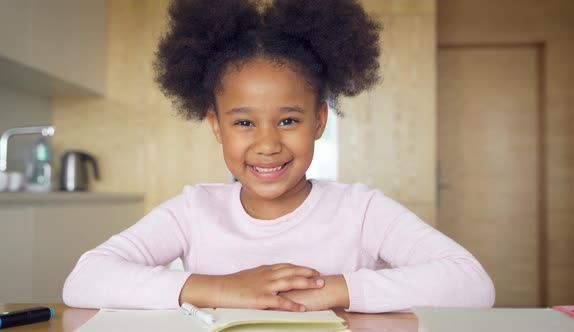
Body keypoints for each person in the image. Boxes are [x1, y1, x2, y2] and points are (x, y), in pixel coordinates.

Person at [63, 0, 495, 313]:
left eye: (288, 121)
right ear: (215, 125)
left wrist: (335, 290)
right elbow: (83, 280)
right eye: (244, 123)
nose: (267, 144)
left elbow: (473, 285)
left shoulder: (361, 209)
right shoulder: (194, 210)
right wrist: (222, 289)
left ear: (319, 121)